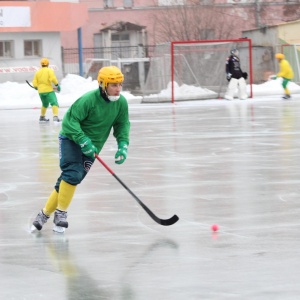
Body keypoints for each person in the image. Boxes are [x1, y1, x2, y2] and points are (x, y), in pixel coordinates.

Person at [31, 66, 130, 233]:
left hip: (93, 148)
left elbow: (122, 125)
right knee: (72, 174)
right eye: (113, 85)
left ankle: (43, 215)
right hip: (71, 139)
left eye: (120, 84)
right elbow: (70, 121)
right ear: (103, 84)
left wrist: (123, 145)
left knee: (69, 180)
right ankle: (60, 214)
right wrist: (83, 140)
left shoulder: (121, 103)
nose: (118, 88)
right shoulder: (88, 100)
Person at [32, 57, 61, 122]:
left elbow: (34, 81)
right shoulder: (49, 71)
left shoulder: (38, 72)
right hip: (49, 91)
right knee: (54, 103)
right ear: (48, 64)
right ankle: (55, 117)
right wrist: (57, 85)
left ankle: (42, 117)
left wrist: (35, 86)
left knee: (45, 104)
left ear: (41, 64)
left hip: (41, 92)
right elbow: (53, 78)